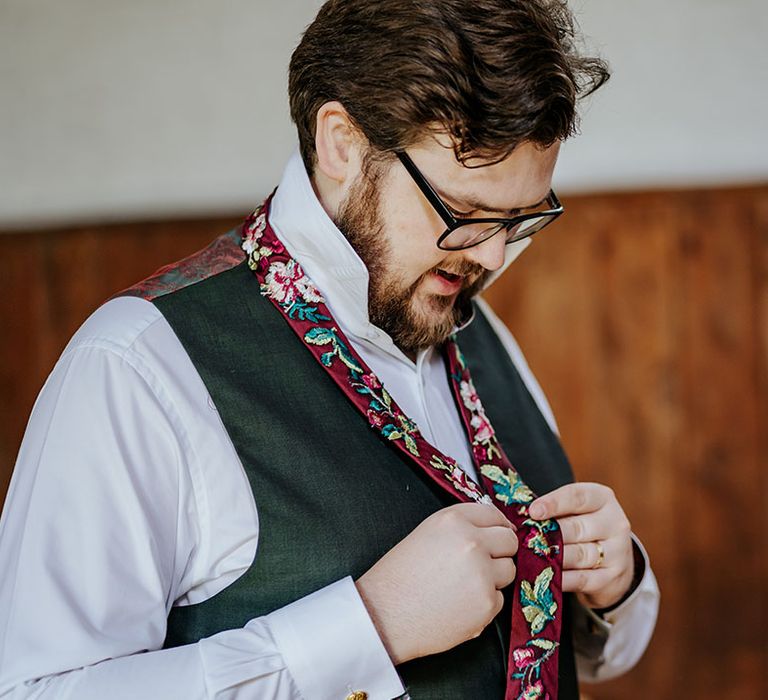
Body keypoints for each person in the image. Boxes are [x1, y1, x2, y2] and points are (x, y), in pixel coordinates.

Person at [0, 1, 659, 698]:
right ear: (341, 143)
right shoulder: (138, 365)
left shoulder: (480, 330)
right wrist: (367, 628)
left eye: (520, 218)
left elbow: (560, 657)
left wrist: (616, 585)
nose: (492, 255)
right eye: (464, 214)